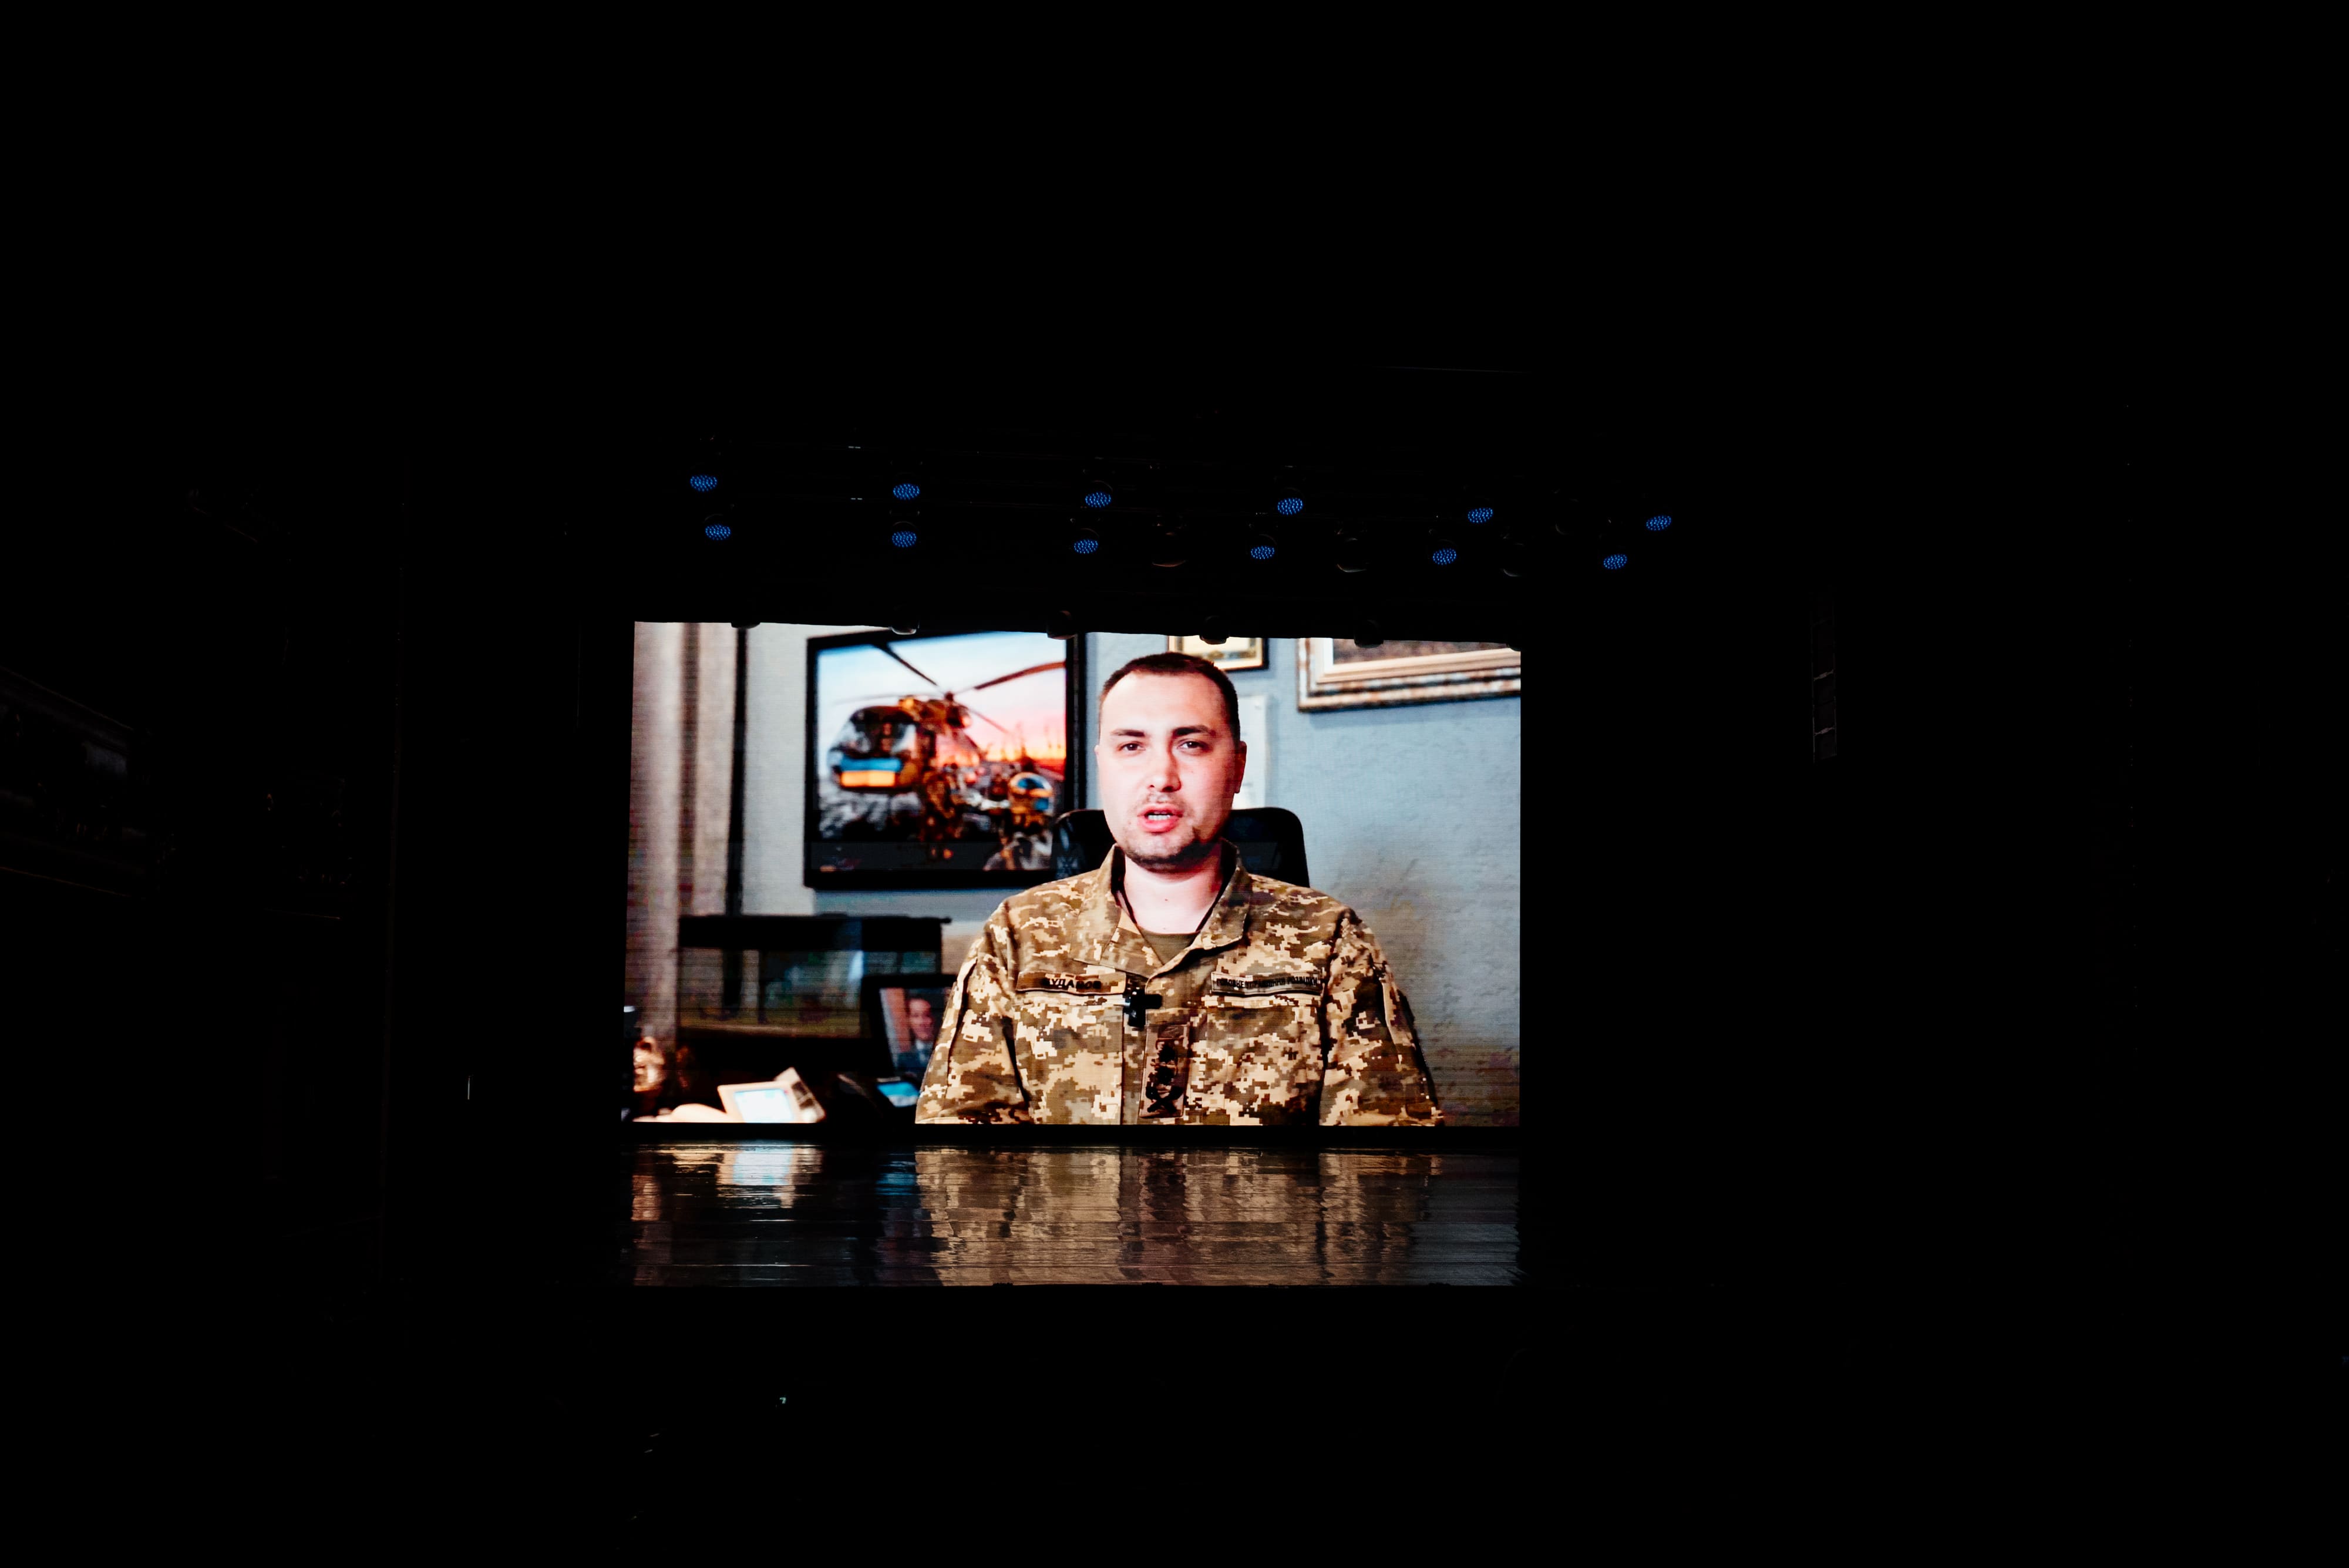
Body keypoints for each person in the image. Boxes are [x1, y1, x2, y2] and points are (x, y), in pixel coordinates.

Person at [916, 652, 1443, 1125]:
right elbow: (960, 1152)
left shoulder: (1330, 941)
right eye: (1132, 746)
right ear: (1103, 764)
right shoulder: (1018, 935)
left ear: (1236, 766)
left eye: (1191, 744)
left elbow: (1385, 1160)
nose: (1161, 776)